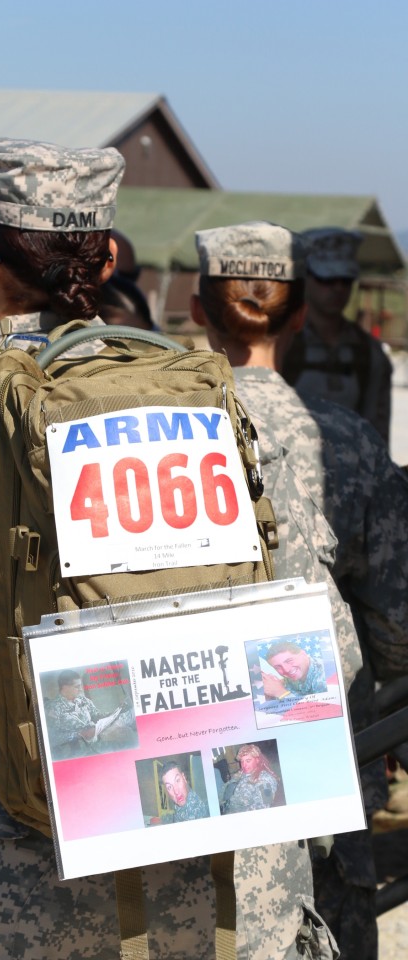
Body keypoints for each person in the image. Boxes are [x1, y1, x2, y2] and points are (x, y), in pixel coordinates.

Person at [0, 141, 340, 960]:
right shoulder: (208, 397)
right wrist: (288, 874)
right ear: (110, 256)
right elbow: (298, 637)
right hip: (226, 884)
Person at [192, 220, 408, 960]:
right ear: (300, 310)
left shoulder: (151, 432)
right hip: (314, 738)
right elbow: (399, 629)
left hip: (180, 739)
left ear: (196, 311)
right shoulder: (343, 441)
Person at [282, 227, 392, 443]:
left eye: (346, 279)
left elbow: (379, 435)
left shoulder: (369, 352)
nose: (338, 288)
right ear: (305, 276)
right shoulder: (282, 343)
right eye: (327, 279)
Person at [44, 669, 126, 759]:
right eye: (77, 686)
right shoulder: (52, 708)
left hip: (96, 746)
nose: (80, 689)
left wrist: (112, 714)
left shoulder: (83, 700)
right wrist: (80, 734)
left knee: (122, 749)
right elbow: (51, 738)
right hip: (76, 754)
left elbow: (96, 715)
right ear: (65, 687)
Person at [221, 745, 279, 815]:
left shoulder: (265, 779)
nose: (244, 765)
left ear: (257, 760)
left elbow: (263, 806)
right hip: (227, 805)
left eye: (248, 761)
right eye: (242, 761)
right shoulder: (243, 772)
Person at [263, 640, 327, 699]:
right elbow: (298, 695)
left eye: (289, 661)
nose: (286, 670)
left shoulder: (324, 675)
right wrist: (276, 685)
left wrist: (281, 693)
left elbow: (319, 708)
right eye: (278, 667)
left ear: (303, 654)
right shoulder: (296, 673)